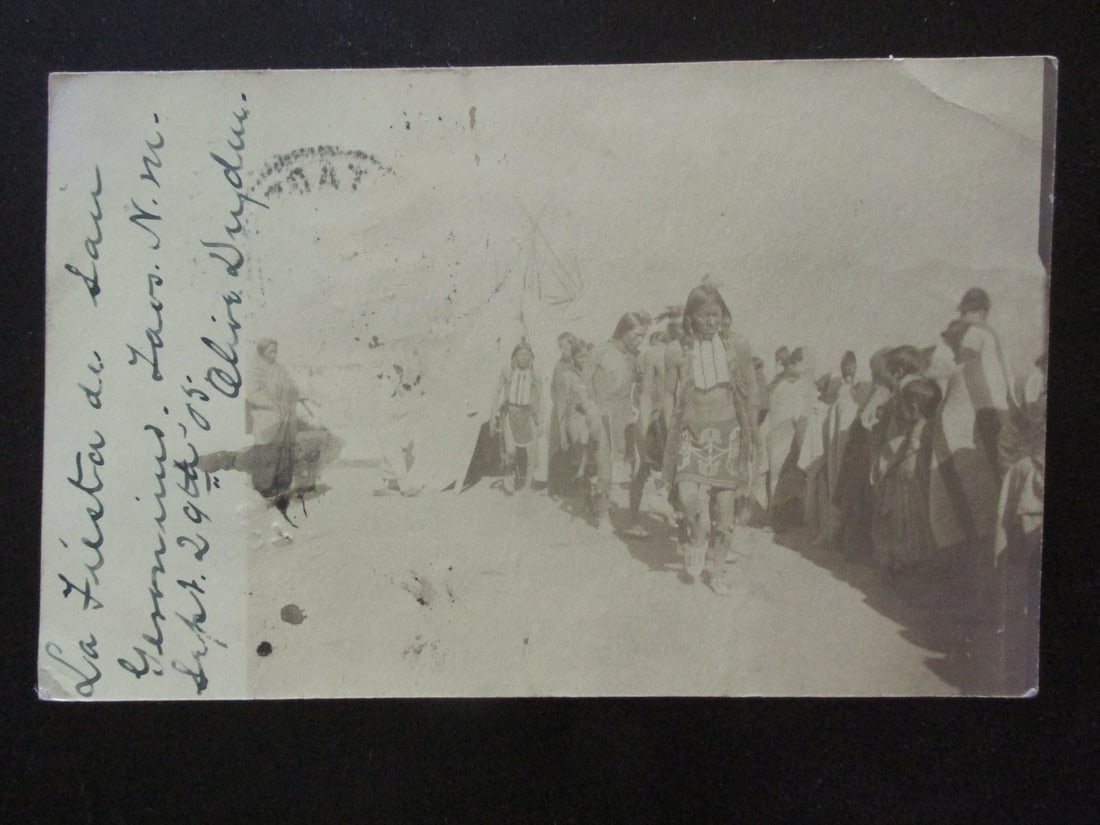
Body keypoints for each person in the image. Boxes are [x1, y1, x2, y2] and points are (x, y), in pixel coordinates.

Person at [662, 283, 757, 594]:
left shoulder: (738, 346)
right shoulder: (677, 350)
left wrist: (752, 434)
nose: (712, 321)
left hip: (729, 433)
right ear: (691, 316)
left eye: (716, 314)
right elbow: (667, 395)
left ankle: (717, 569)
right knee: (688, 496)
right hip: (691, 432)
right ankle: (698, 537)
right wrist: (669, 431)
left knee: (725, 509)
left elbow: (750, 391)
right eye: (705, 315)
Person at [869, 350, 942, 577]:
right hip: (912, 468)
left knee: (899, 520)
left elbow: (897, 438)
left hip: (900, 467)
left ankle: (900, 567)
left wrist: (881, 465)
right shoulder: (921, 388)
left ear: (898, 371)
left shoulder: (906, 393)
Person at [586, 312, 651, 534]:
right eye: (637, 334)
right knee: (605, 470)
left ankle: (634, 519)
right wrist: (591, 414)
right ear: (624, 330)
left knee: (638, 469)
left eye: (643, 336)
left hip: (627, 417)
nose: (640, 339)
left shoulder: (635, 357)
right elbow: (582, 386)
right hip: (603, 414)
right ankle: (603, 516)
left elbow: (643, 389)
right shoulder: (600, 352)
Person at [244, 338, 301, 516]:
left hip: (284, 418)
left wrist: (288, 400)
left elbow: (291, 387)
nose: (274, 355)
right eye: (270, 352)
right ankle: (264, 495)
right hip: (266, 419)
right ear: (262, 352)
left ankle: (282, 493)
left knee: (284, 455)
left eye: (275, 351)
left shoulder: (280, 368)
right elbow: (254, 394)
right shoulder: (255, 370)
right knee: (267, 456)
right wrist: (273, 404)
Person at [764, 347, 816, 530]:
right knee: (777, 476)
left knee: (790, 477)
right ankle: (774, 517)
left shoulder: (798, 384)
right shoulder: (782, 384)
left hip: (791, 434)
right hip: (779, 434)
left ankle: (786, 517)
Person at [490, 341, 543, 493]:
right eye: (520, 354)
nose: (523, 357)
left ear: (531, 357)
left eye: (527, 354)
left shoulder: (535, 373)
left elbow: (541, 397)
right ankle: (509, 475)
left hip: (528, 415)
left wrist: (541, 420)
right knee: (511, 451)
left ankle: (527, 486)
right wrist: (492, 414)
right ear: (514, 356)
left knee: (532, 452)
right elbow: (497, 391)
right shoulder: (507, 370)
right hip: (510, 414)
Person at [548, 332, 580, 498]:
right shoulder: (558, 365)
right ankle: (559, 487)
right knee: (561, 447)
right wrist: (560, 404)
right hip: (562, 411)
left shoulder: (580, 361)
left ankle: (578, 485)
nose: (562, 349)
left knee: (579, 446)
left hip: (579, 411)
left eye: (565, 345)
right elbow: (554, 388)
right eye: (559, 346)